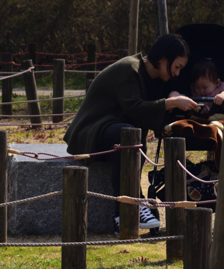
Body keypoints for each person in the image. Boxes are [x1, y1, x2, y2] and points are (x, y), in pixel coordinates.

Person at [64, 33, 197, 235]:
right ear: (163, 59)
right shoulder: (129, 69)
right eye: (177, 66)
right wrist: (171, 102)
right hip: (89, 132)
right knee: (127, 135)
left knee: (131, 137)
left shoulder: (154, 78)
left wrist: (171, 97)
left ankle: (136, 204)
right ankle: (122, 214)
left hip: (115, 132)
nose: (177, 73)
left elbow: (148, 113)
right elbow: (134, 108)